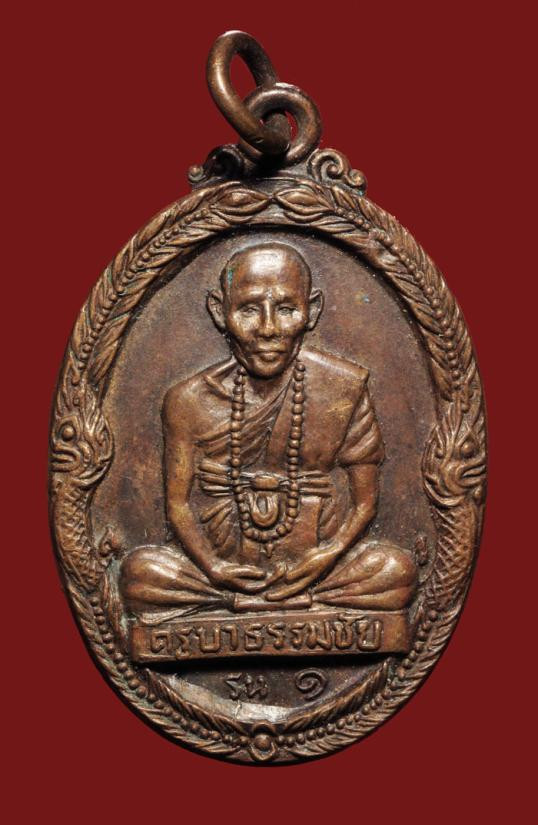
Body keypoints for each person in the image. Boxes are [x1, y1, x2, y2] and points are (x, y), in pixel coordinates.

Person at [120, 242, 416, 617]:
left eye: (287, 309)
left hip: (321, 568)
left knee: (395, 571)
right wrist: (214, 567)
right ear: (219, 311)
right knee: (141, 575)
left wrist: (329, 554)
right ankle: (235, 601)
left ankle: (274, 601)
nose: (268, 329)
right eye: (248, 309)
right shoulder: (188, 400)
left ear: (312, 311)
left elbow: (365, 502)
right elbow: (178, 506)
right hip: (218, 574)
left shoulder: (343, 388)